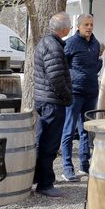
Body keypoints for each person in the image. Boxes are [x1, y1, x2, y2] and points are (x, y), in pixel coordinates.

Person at [33, 12, 73, 198]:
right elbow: (56, 77)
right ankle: (45, 183)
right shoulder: (53, 46)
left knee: (44, 140)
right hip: (51, 101)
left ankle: (40, 178)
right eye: (70, 26)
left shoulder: (47, 43)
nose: (71, 29)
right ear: (64, 29)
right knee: (49, 143)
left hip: (46, 99)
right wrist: (67, 96)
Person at [60, 14, 102, 182]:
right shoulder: (70, 43)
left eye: (91, 24)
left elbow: (96, 64)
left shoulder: (96, 43)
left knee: (86, 131)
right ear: (78, 26)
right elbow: (62, 65)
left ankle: (84, 165)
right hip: (75, 93)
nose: (89, 27)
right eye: (86, 24)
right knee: (69, 130)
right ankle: (67, 168)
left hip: (91, 92)